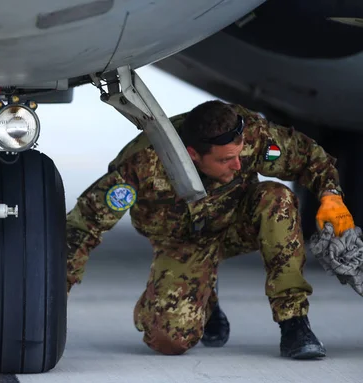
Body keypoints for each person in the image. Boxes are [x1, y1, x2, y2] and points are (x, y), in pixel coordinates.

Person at [65, 100, 355, 359]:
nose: (238, 164)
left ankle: (294, 324)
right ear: (192, 154)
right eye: (225, 160)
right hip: (182, 243)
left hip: (236, 222)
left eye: (238, 154)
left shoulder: (251, 135)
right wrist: (51, 293)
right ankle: (205, 296)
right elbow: (83, 227)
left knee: (277, 199)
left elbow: (308, 157)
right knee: (168, 341)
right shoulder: (142, 163)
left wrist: (331, 195)